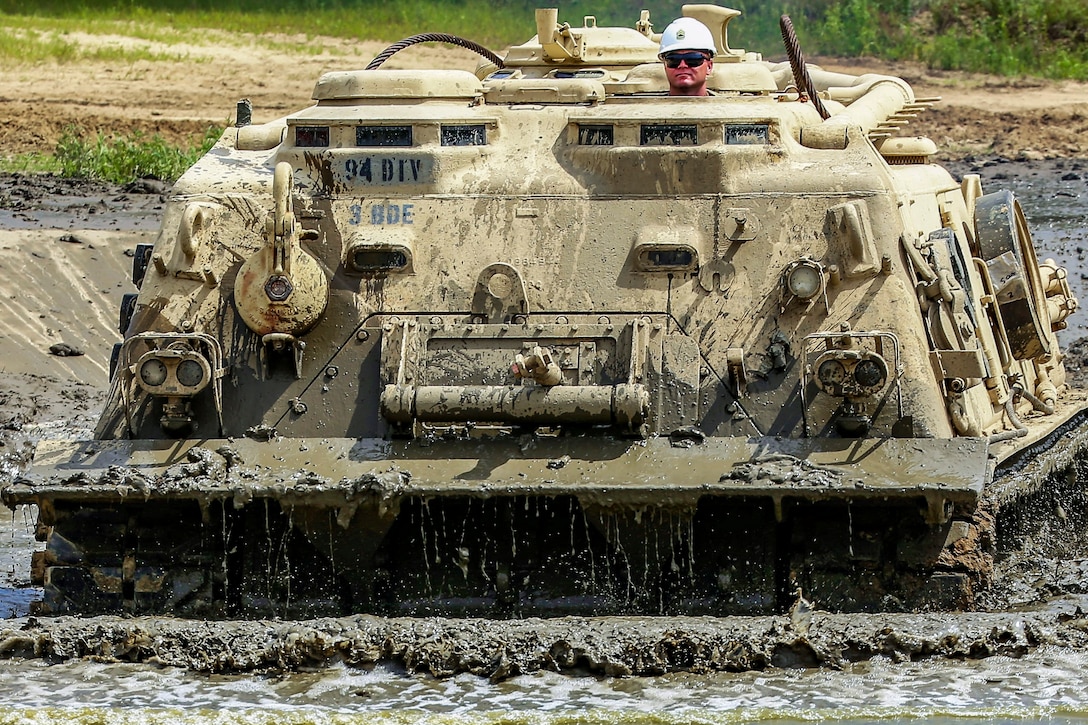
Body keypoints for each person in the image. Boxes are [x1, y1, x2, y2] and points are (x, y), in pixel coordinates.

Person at [657, 17, 716, 96]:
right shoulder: (645, 107)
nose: (682, 65)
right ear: (665, 66)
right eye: (673, 60)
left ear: (709, 66)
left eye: (693, 59)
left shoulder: (729, 107)